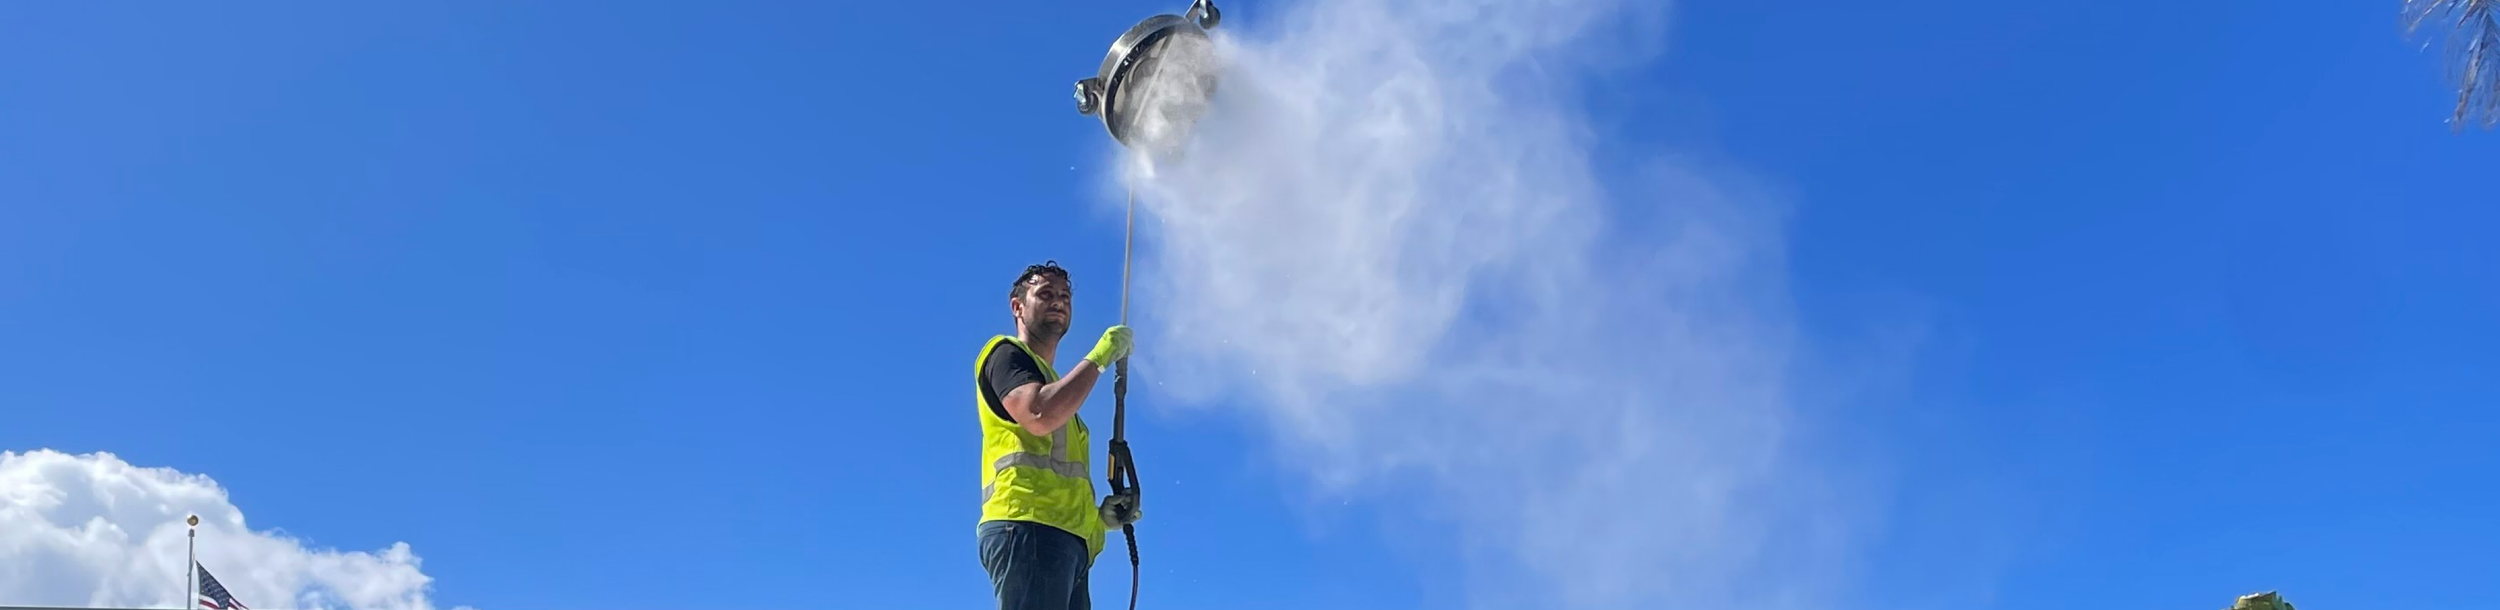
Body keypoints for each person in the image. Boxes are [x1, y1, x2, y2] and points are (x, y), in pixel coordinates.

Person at [974, 260, 1143, 610]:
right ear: (1018, 307)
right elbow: (1038, 414)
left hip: (1063, 541)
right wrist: (1100, 357)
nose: (1058, 301)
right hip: (1029, 530)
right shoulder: (1005, 354)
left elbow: (1057, 471)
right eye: (1045, 294)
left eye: (1064, 296)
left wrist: (1099, 520)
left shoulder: (1056, 388)